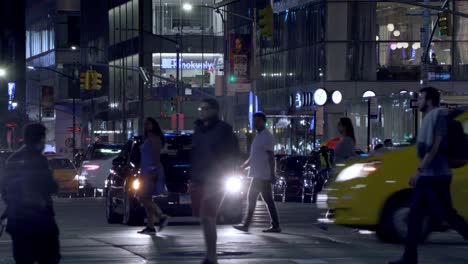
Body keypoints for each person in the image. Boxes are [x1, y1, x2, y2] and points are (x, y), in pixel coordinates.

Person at [389, 87, 468, 264]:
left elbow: (436, 146)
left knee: (448, 215)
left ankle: (409, 257)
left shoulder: (439, 116)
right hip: (430, 176)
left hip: (436, 176)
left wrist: (419, 171)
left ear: (430, 100)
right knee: (416, 216)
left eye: (421, 98)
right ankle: (409, 257)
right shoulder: (430, 118)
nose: (418, 101)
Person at [1, 123, 61, 264]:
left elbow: (4, 189)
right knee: (49, 257)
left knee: (23, 259)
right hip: (40, 220)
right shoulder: (39, 160)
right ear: (40, 140)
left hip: (18, 221)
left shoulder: (12, 160)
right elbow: (50, 186)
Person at [190, 98, 239, 264]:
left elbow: (231, 154)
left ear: (214, 110)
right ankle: (210, 254)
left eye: (206, 108)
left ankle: (211, 256)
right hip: (198, 178)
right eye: (201, 108)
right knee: (204, 218)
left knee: (208, 216)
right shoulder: (198, 129)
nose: (202, 111)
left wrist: (227, 173)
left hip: (215, 180)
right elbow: (194, 153)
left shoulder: (224, 130)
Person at [233, 112, 281, 233]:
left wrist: (272, 174)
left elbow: (271, 156)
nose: (255, 123)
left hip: (262, 175)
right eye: (254, 121)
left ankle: (246, 225)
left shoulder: (267, 136)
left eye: (257, 121)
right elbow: (253, 156)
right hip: (258, 174)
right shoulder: (258, 136)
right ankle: (275, 225)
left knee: (252, 198)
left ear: (263, 122)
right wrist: (244, 166)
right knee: (268, 200)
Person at [137, 117, 169, 235]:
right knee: (147, 198)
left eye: (148, 124)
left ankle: (161, 216)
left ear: (153, 125)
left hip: (151, 170)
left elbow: (156, 155)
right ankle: (150, 226)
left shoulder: (155, 138)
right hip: (146, 170)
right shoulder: (148, 138)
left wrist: (154, 170)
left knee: (143, 197)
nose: (146, 126)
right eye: (144, 124)